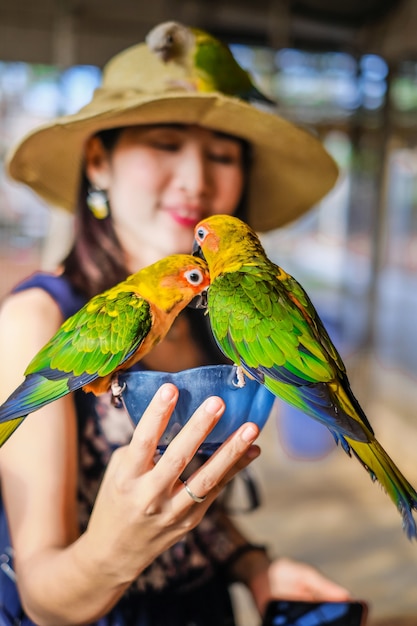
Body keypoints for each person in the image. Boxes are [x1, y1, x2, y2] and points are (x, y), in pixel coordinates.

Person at [0, 34, 351, 626]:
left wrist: (254, 567)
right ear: (97, 162)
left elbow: (190, 497)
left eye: (222, 155)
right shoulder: (37, 319)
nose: (196, 179)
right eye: (165, 144)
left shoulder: (222, 316)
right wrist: (115, 550)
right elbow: (43, 597)